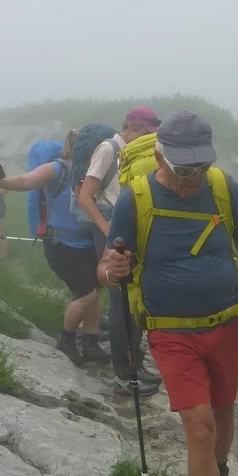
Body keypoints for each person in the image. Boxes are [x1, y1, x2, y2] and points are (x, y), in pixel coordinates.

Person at [98, 110, 238, 476]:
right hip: (171, 331)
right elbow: (108, 268)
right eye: (183, 169)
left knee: (223, 412)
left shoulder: (223, 187)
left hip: (227, 324)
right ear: (160, 157)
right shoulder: (135, 199)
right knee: (199, 428)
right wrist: (112, 270)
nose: (193, 179)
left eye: (200, 168)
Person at [0, 130, 110, 366]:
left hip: (89, 243)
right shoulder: (58, 168)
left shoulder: (95, 170)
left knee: (95, 292)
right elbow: (27, 181)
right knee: (87, 295)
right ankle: (66, 340)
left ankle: (91, 342)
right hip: (62, 245)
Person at [76, 107, 163, 397]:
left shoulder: (143, 153)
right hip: (112, 227)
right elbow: (86, 196)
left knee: (135, 298)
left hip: (131, 227)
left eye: (151, 133)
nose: (148, 138)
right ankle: (125, 377)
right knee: (121, 300)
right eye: (143, 132)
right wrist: (108, 231)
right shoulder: (108, 149)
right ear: (129, 127)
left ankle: (135, 364)